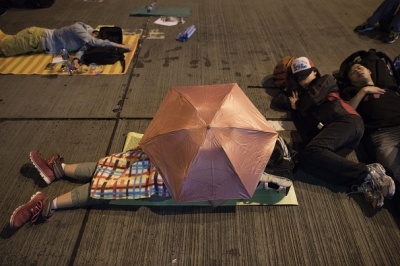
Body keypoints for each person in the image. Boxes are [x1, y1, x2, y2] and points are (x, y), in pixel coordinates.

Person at [282, 57, 395, 209]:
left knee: (313, 150)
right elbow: (305, 129)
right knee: (306, 162)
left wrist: (298, 106)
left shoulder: (326, 80)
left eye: (306, 74)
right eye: (299, 78)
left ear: (315, 72)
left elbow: (310, 99)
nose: (303, 80)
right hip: (336, 133)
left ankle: (367, 172)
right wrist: (296, 111)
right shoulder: (303, 102)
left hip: (346, 121)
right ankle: (361, 182)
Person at [341, 61, 400, 184]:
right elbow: (347, 112)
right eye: (353, 72)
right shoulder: (352, 92)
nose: (357, 71)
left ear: (369, 71)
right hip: (381, 135)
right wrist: (364, 91)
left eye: (359, 67)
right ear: (352, 81)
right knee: (395, 174)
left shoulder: (389, 89)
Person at [0, 22, 132, 69]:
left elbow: (84, 48)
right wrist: (121, 46)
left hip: (38, 44)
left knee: (6, 44)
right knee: (5, 49)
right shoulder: (78, 28)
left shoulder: (88, 38)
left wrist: (76, 60)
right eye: (98, 38)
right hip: (35, 38)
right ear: (96, 33)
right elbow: (93, 42)